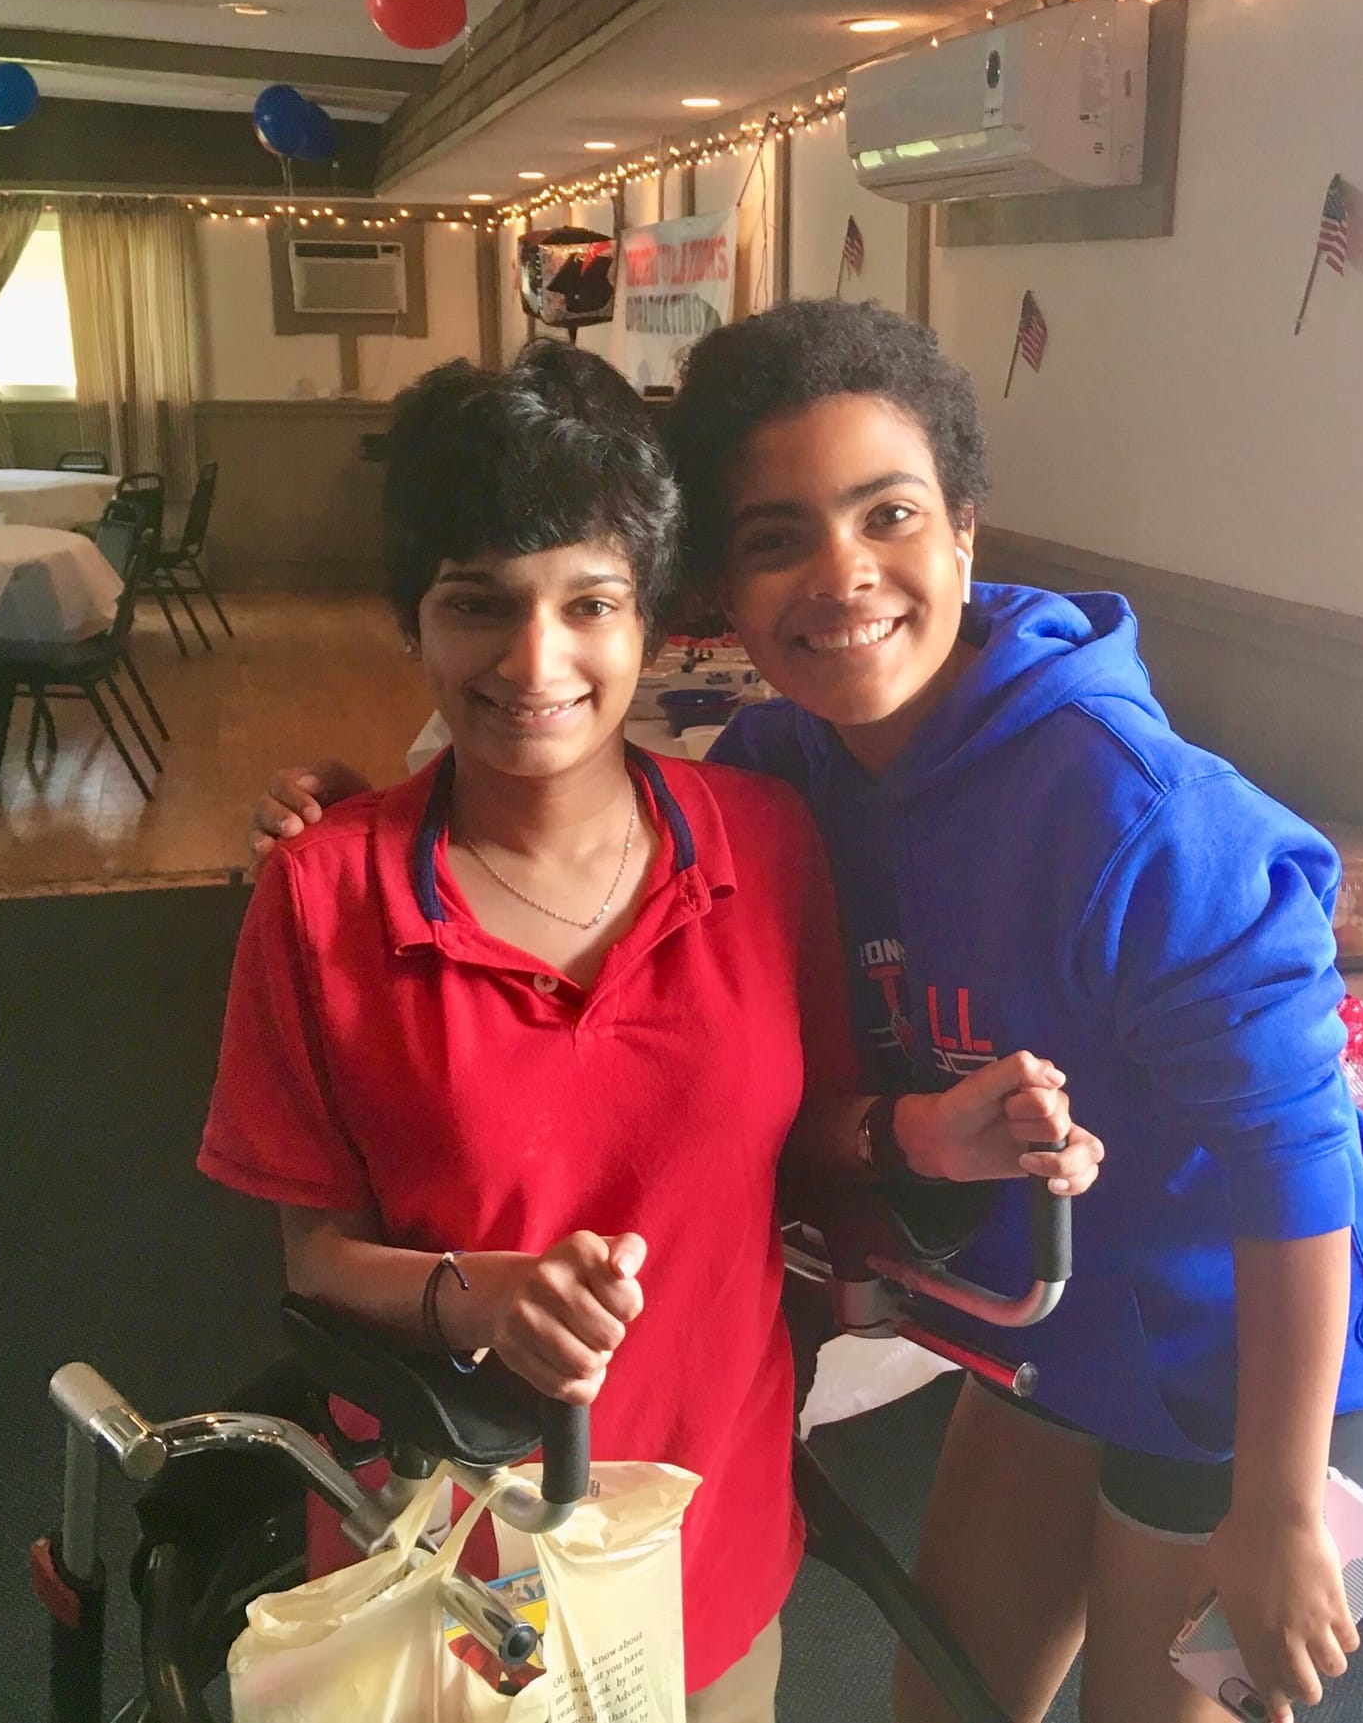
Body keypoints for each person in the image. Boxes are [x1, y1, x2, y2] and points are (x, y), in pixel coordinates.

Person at [250, 302, 1363, 1723]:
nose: (841, 575)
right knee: (938, 1706)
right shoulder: (782, 777)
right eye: (774, 538)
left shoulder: (1138, 815)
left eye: (887, 513)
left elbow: (1298, 1158)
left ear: (963, 531)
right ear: (719, 587)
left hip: (1255, 1370)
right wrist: (367, 827)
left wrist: (1278, 1504)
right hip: (1052, 1334)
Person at [204, 339, 1100, 1722]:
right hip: (455, 1554)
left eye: (590, 601)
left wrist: (931, 1133)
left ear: (651, 618)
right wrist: (478, 1294)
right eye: (476, 604)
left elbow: (802, 1140)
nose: (535, 659)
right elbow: (316, 1259)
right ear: (414, 623)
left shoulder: (764, 844)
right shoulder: (326, 891)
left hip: (710, 1546)